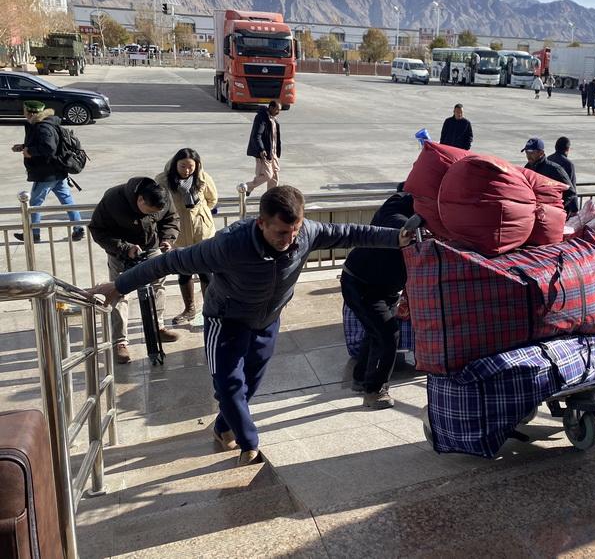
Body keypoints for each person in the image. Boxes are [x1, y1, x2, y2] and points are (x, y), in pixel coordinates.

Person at [88, 186, 414, 465]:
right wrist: (119, 286)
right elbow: (170, 261)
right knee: (229, 385)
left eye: (295, 231)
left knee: (250, 384)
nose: (289, 239)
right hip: (226, 319)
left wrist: (397, 238)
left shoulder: (307, 233)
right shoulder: (229, 245)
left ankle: (223, 427)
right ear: (261, 223)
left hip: (267, 321)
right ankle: (249, 444)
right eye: (281, 232)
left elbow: (352, 233)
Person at [88, 177, 181, 364]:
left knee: (157, 288)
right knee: (118, 292)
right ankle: (119, 342)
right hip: (121, 254)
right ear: (140, 200)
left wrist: (167, 239)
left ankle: (157, 328)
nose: (153, 215)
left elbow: (171, 219)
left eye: (155, 213)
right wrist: (124, 248)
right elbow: (98, 230)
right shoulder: (113, 199)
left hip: (152, 248)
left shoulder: (162, 196)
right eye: (149, 211)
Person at [341, 191, 415, 409]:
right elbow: (394, 222)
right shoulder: (397, 203)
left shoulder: (433, 214)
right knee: (388, 335)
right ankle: (375, 391)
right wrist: (416, 227)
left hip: (386, 289)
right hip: (361, 283)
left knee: (376, 332)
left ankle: (361, 377)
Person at [156, 148, 218, 326]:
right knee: (184, 272)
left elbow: (212, 199)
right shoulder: (163, 180)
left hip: (202, 232)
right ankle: (189, 309)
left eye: (191, 166)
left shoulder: (203, 178)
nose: (187, 170)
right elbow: (160, 205)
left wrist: (201, 214)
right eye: (183, 166)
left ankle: (210, 309)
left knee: (206, 272)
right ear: (175, 164)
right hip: (179, 233)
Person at [11, 100, 85, 243]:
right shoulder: (47, 123)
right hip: (57, 171)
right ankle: (78, 228)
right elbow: (46, 143)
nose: (24, 114)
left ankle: (34, 233)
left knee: (34, 204)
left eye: (25, 111)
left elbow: (49, 148)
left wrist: (30, 152)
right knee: (67, 200)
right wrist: (24, 146)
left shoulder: (42, 127)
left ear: (30, 113)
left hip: (46, 173)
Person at [522, 137, 577, 215]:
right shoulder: (527, 168)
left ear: (541, 153)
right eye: (527, 152)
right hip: (533, 213)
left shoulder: (554, 169)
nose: (528, 156)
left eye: (532, 152)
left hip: (552, 215)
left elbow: (571, 192)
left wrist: (557, 207)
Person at [245, 100, 282, 195]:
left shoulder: (273, 119)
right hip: (264, 153)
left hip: (273, 152)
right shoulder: (261, 118)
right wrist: (261, 149)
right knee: (267, 175)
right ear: (271, 108)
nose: (279, 112)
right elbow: (257, 135)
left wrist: (276, 151)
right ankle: (247, 187)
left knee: (275, 176)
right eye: (277, 110)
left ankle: (271, 196)